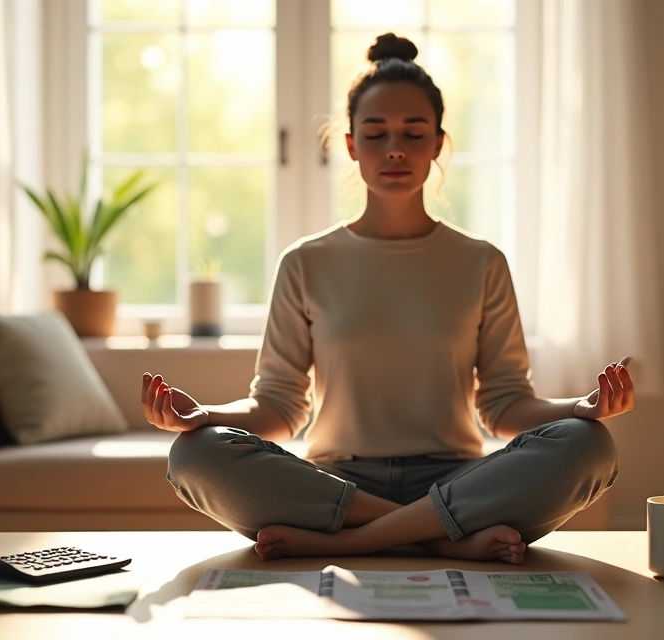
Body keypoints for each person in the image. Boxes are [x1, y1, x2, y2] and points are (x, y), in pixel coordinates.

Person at [140, 33, 633, 565]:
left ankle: (357, 539)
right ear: (350, 145)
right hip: (338, 483)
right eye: (375, 134)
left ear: (438, 143)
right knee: (196, 454)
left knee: (589, 446)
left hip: (455, 477)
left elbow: (505, 404)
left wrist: (580, 409)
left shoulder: (481, 262)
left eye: (413, 133)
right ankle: (438, 535)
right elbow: (280, 408)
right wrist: (202, 415)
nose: (394, 148)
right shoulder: (305, 262)